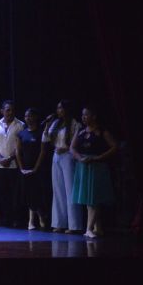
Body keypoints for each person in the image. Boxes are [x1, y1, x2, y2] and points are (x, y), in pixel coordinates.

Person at [71, 106, 118, 238]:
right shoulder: (80, 131)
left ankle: (89, 228)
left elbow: (115, 146)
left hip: (97, 167)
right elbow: (72, 148)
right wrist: (80, 158)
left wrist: (99, 157)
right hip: (83, 166)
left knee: (94, 198)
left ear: (94, 116)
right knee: (88, 199)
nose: (83, 117)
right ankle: (98, 228)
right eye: (82, 115)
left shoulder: (101, 131)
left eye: (86, 115)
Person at [43, 100, 84, 234]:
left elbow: (77, 143)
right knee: (58, 190)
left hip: (68, 156)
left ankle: (74, 225)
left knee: (70, 189)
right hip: (56, 156)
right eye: (58, 108)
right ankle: (59, 223)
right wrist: (47, 124)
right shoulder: (56, 123)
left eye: (61, 108)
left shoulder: (74, 124)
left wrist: (66, 148)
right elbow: (45, 139)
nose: (58, 110)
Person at [0, 100, 25, 227]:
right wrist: (0, 158)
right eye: (7, 110)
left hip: (14, 164)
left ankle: (16, 219)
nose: (10, 112)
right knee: (1, 193)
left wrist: (9, 158)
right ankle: (4, 218)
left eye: (12, 110)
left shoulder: (20, 125)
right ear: (2, 111)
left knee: (15, 194)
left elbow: (21, 146)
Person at [16, 108, 49, 230]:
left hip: (38, 169)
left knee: (37, 194)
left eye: (30, 116)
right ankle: (33, 219)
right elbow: (18, 151)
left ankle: (38, 217)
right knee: (28, 195)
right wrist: (21, 168)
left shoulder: (40, 133)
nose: (28, 118)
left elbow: (43, 152)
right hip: (25, 168)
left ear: (35, 117)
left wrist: (35, 168)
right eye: (26, 116)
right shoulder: (22, 133)